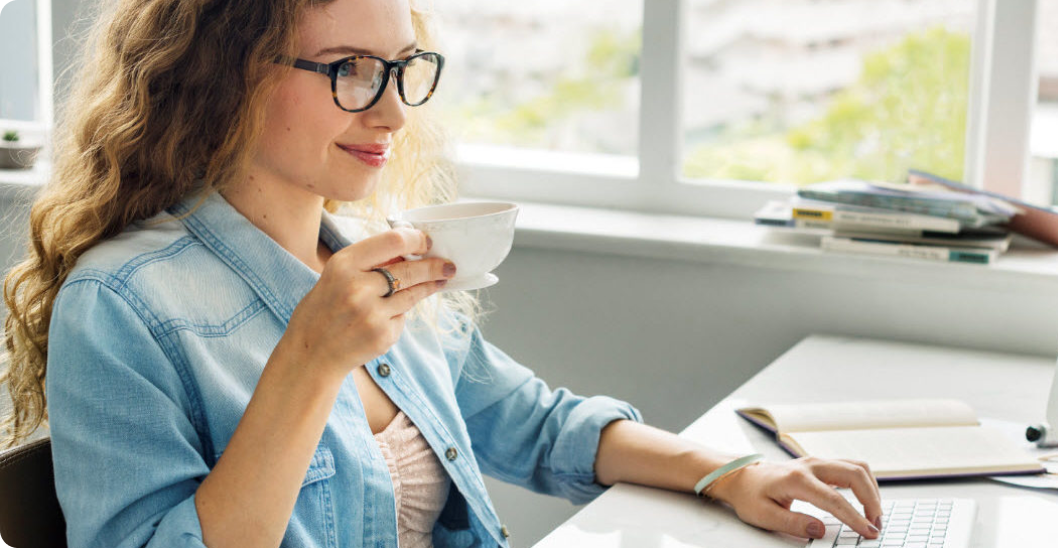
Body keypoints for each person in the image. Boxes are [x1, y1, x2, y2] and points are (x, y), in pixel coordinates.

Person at [0, 0, 884, 546]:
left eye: (401, 68)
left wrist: (727, 475)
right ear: (224, 77)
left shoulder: (364, 261)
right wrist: (307, 362)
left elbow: (542, 428)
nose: (390, 110)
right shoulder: (121, 306)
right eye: (349, 69)